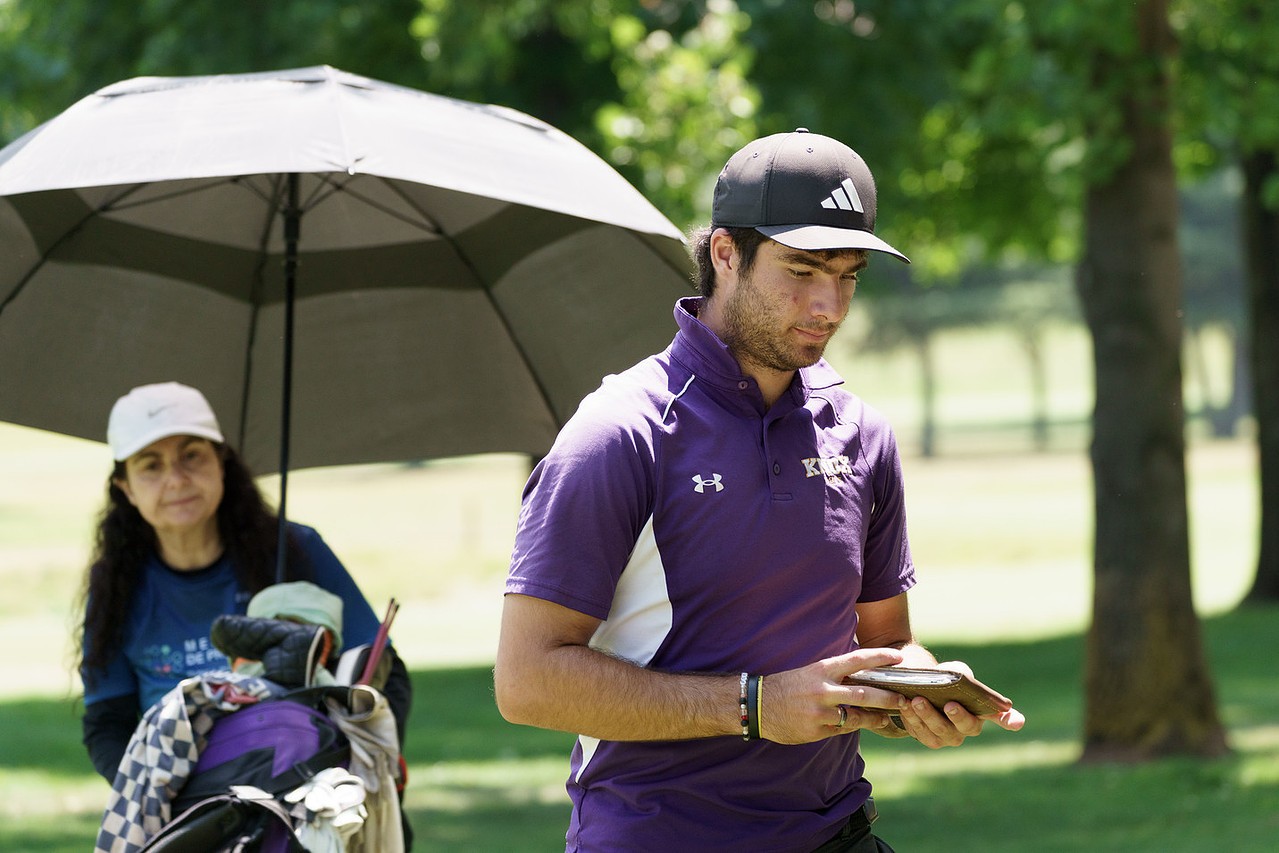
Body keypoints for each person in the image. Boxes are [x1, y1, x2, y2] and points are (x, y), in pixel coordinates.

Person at [493, 129, 1025, 852]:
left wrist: (918, 686)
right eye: (801, 269)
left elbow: (885, 638)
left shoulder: (861, 433)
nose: (828, 305)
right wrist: (753, 705)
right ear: (724, 253)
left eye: (849, 276)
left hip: (839, 832)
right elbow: (526, 681)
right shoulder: (621, 433)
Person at [75, 381, 413, 788]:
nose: (176, 479)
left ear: (222, 462)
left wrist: (350, 772)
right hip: (180, 800)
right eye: (151, 465)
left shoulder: (294, 550)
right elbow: (107, 723)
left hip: (311, 790)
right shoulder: (116, 586)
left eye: (192, 456)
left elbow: (383, 671)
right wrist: (160, 795)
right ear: (126, 488)